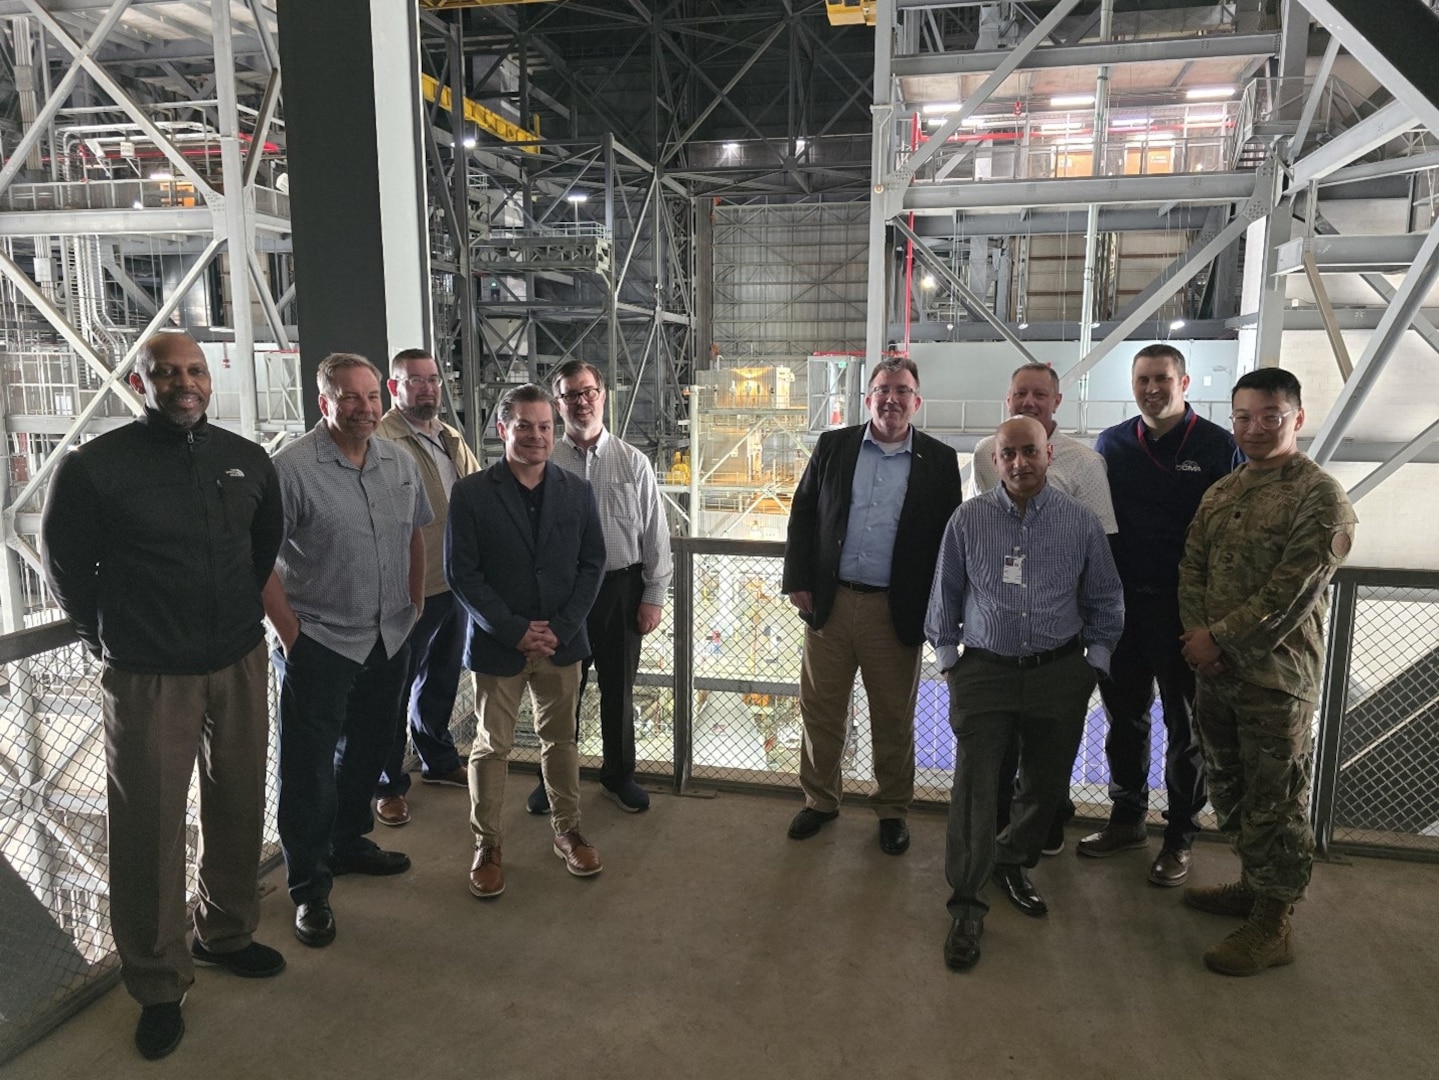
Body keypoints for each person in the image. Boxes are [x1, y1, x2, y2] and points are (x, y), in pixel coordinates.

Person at [41, 332, 286, 1060]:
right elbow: (66, 567)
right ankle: (157, 983)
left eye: (195, 371)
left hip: (237, 659)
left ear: (209, 380)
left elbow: (261, 548)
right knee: (148, 828)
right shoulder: (96, 468)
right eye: (168, 373)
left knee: (240, 802)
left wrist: (240, 623)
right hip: (149, 673)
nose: (185, 383)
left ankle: (227, 933)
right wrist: (108, 636)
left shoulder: (244, 458)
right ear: (140, 381)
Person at [926, 416, 1124, 972]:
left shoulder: (1080, 523)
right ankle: (967, 906)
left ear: (1049, 453)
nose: (1018, 463)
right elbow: (945, 593)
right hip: (985, 672)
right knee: (975, 787)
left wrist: (1094, 663)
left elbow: (1105, 597)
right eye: (1008, 454)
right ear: (996, 458)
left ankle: (1012, 860)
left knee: (1045, 786)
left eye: (1029, 452)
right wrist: (951, 662)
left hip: (1057, 673)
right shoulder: (967, 520)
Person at [1178, 367, 1356, 976]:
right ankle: (1255, 885)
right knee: (1229, 787)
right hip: (1216, 673)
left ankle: (1274, 921)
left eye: (1270, 417)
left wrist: (1219, 640)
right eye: (1244, 417)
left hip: (1274, 681)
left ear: (1296, 418)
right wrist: (1200, 639)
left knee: (1275, 799)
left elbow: (1293, 591)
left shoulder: (1320, 496)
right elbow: (1192, 568)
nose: (1256, 428)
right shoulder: (1224, 491)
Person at [263, 353, 431, 950]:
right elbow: (259, 562)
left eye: (371, 396)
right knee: (307, 768)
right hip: (323, 642)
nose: (364, 407)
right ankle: (309, 885)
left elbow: (414, 531)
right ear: (324, 402)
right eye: (349, 396)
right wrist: (292, 635)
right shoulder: (290, 470)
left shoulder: (398, 461)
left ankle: (349, 841)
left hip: (389, 635)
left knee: (372, 746)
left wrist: (410, 607)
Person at [781, 356, 962, 856]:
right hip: (831, 605)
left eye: (902, 390)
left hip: (894, 611)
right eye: (882, 389)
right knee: (821, 711)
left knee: (891, 717)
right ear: (868, 398)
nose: (891, 399)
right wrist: (797, 578)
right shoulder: (834, 446)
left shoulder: (940, 462)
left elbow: (950, 543)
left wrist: (940, 610)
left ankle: (892, 809)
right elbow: (803, 511)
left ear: (916, 401)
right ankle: (820, 800)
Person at [1082, 344, 1239, 885]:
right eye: (1143, 379)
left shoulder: (1220, 447)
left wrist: (1212, 621)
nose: (1153, 388)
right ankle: (1127, 819)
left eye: (1163, 378)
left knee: (1184, 728)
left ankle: (1179, 836)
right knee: (1124, 719)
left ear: (1185, 382)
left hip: (1184, 612)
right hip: (1123, 607)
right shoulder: (1114, 443)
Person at [446, 383, 606, 898]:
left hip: (562, 642)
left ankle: (567, 829)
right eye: (524, 426)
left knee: (562, 741)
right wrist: (515, 629)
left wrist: (559, 627)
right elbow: (462, 573)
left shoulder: (577, 491)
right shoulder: (471, 493)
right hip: (500, 645)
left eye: (544, 427)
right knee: (492, 746)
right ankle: (487, 844)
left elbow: (592, 564)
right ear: (502, 430)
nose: (536, 436)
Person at [970, 362, 1118, 855]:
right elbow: (984, 541)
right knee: (1000, 749)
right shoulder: (983, 457)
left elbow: (1101, 551)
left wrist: (1093, 650)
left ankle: (1045, 827)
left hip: (1060, 641)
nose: (1028, 401)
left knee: (1049, 750)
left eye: (1039, 394)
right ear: (1007, 400)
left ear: (1056, 402)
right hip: (999, 641)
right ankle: (996, 838)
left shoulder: (1084, 463)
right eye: (1020, 394)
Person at [525, 360, 672, 815]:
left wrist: (652, 597)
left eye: (588, 392)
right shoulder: (545, 463)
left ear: (603, 395)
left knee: (618, 689)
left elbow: (655, 535)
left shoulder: (633, 462)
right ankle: (554, 778)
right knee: (559, 691)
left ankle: (618, 775)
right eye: (571, 394)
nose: (581, 401)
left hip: (620, 592)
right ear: (559, 402)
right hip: (563, 596)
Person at [372, 349, 481, 827]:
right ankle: (387, 782)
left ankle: (438, 759)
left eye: (433, 379)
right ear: (394, 388)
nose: (427, 388)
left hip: (454, 583)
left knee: (440, 679)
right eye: (414, 380)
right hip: (409, 587)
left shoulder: (449, 436)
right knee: (393, 687)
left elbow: (477, 491)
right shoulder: (382, 439)